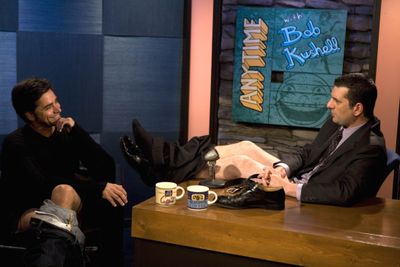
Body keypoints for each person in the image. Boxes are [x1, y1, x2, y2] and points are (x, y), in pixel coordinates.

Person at [121, 73, 387, 207]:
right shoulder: (336, 122)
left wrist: (289, 188)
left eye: (336, 101)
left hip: (305, 194)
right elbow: (308, 153)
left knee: (242, 162)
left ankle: (160, 162)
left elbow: (345, 192)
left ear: (358, 108)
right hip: (298, 178)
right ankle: (164, 159)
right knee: (246, 146)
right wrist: (284, 168)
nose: (328, 105)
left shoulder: (371, 147)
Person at [0, 77, 128, 266]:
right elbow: (41, 184)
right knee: (64, 192)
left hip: (68, 204)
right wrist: (97, 188)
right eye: (48, 107)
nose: (58, 109)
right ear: (30, 115)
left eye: (56, 101)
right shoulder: (16, 143)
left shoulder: (65, 134)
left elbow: (106, 168)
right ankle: (72, 247)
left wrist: (77, 132)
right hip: (28, 210)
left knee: (68, 193)